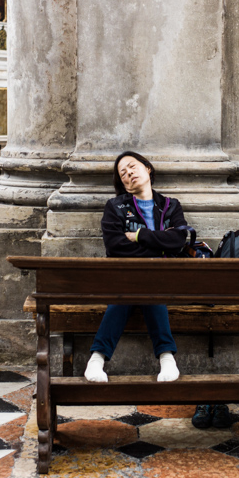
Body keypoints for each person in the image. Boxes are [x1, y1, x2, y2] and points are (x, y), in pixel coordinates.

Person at [84, 151, 186, 383]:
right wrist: (160, 245)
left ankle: (97, 357)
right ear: (123, 184)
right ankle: (166, 357)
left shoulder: (171, 205)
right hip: (127, 277)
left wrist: (140, 236)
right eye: (123, 173)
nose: (129, 173)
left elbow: (179, 240)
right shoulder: (115, 207)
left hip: (165, 277)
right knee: (138, 285)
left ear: (147, 168)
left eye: (132, 166)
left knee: (141, 285)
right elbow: (115, 246)